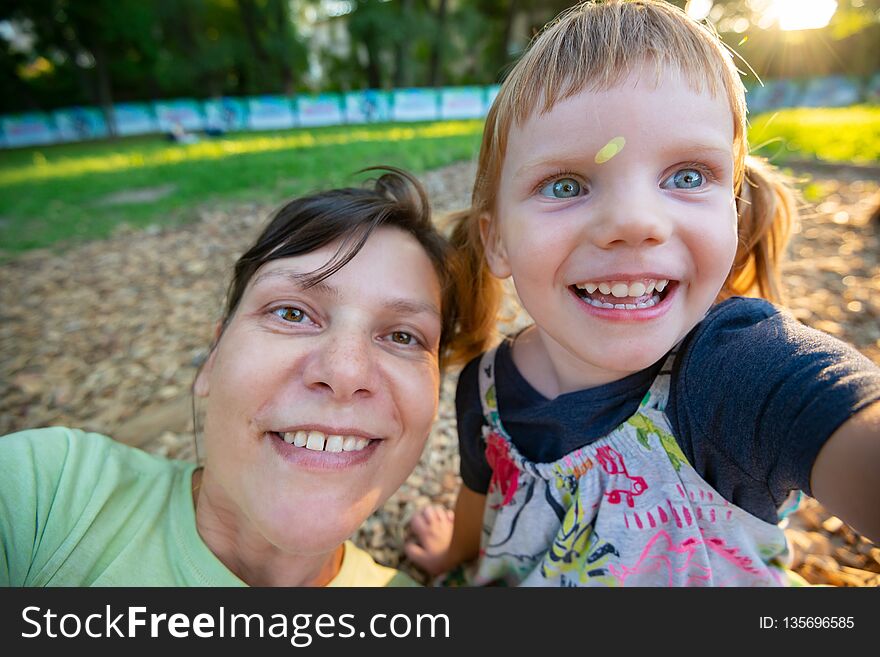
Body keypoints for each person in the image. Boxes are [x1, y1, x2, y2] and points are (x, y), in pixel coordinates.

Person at [405, 0, 880, 586]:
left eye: (687, 176)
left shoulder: (737, 372)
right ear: (497, 240)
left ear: (732, 207)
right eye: (565, 183)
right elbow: (482, 494)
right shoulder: (484, 388)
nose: (634, 221)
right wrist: (453, 552)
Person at [0, 167, 464, 587]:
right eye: (291, 312)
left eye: (403, 337)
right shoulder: (48, 496)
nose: (345, 372)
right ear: (213, 359)